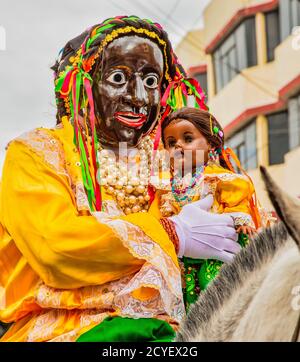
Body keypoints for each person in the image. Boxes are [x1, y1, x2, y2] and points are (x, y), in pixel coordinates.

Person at [0, 16, 239, 342]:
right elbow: (56, 249)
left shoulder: (168, 162)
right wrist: (172, 234)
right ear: (79, 85)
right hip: (66, 330)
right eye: (117, 78)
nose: (139, 97)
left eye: (152, 81)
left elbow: (227, 207)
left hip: (177, 331)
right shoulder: (36, 153)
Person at [160, 107, 268, 310]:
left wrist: (242, 221)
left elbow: (237, 205)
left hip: (215, 257)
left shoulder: (221, 179)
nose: (179, 146)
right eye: (171, 143)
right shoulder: (166, 187)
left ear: (210, 143)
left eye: (188, 139)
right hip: (181, 263)